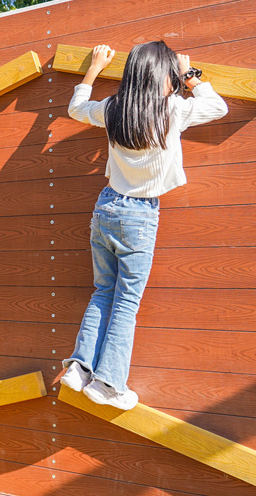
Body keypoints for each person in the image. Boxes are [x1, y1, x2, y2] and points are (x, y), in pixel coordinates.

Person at [59, 41, 227, 410]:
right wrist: (190, 76)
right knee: (126, 302)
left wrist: (94, 68)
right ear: (164, 76)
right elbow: (218, 106)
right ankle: (107, 384)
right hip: (139, 215)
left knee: (103, 292)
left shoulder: (113, 108)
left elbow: (75, 108)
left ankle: (79, 368)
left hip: (105, 207)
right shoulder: (173, 109)